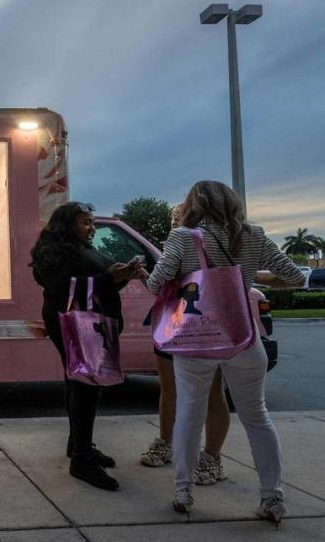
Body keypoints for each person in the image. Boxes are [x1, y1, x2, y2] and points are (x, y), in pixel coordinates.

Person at [143, 180, 305, 522]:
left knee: (189, 412)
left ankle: (183, 492)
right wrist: (244, 277)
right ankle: (272, 498)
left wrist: (191, 275)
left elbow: (155, 283)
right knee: (257, 416)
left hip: (197, 340)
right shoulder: (254, 235)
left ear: (192, 205)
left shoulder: (183, 237)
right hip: (242, 337)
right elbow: (294, 277)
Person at [30, 201, 143, 491]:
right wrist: (110, 277)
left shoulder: (83, 247)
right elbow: (61, 287)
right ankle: (81, 460)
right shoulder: (52, 252)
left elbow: (99, 282)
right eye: (86, 223)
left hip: (91, 322)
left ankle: (78, 446)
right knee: (86, 384)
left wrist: (122, 275)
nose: (91, 228)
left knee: (80, 383)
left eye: (92, 222)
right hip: (73, 322)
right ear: (67, 224)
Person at [141, 204, 230, 487]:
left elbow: (156, 283)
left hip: (194, 324)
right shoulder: (186, 242)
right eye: (174, 220)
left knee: (203, 391)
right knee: (179, 390)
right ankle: (178, 447)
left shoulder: (196, 242)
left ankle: (208, 456)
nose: (175, 223)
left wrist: (151, 275)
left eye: (177, 218)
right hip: (181, 323)